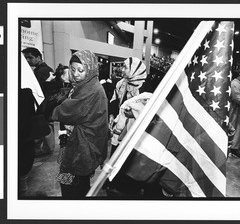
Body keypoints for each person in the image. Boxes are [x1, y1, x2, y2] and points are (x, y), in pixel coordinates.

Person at [51, 50, 108, 198]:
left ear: (91, 69)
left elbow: (67, 111)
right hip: (77, 142)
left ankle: (73, 208)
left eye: (81, 70)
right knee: (75, 178)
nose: (76, 74)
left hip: (81, 145)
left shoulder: (91, 89)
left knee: (73, 181)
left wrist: (52, 109)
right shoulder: (84, 84)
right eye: (73, 69)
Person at [109, 56, 153, 155]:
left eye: (125, 67)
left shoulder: (145, 87)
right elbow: (114, 100)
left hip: (135, 131)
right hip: (119, 128)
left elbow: (149, 111)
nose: (122, 69)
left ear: (134, 69)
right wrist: (111, 115)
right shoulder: (120, 84)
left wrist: (133, 113)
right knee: (115, 155)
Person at [22, 47, 56, 157]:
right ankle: (48, 148)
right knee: (48, 125)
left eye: (30, 57)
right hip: (49, 102)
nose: (27, 60)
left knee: (43, 125)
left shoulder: (40, 71)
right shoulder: (48, 69)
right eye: (26, 58)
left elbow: (39, 90)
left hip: (43, 103)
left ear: (38, 57)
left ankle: (45, 149)